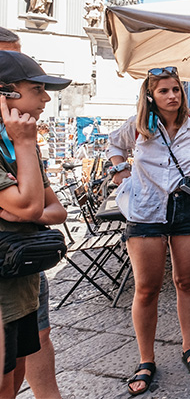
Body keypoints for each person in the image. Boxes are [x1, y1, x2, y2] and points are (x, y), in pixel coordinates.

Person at [107, 66, 190, 396]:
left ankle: (189, 345)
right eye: (164, 91)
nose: (172, 96)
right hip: (146, 211)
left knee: (186, 281)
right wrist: (121, 173)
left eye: (176, 90)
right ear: (150, 96)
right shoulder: (139, 127)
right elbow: (113, 145)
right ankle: (146, 359)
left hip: (187, 210)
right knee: (146, 288)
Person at [0, 51, 70, 398]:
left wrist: (29, 211)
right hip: (4, 291)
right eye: (37, 89)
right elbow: (31, 203)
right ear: (6, 94)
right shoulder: (22, 142)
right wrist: (25, 142)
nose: (45, 98)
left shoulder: (19, 143)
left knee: (15, 377)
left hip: (23, 286)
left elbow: (54, 210)